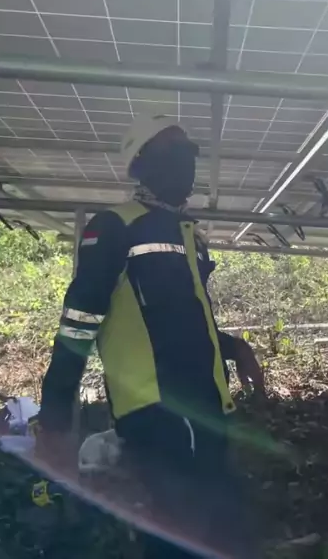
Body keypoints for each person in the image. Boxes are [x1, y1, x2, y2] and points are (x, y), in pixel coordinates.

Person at [36, 115, 264, 557]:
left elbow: (184, 319)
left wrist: (234, 347)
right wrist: (54, 416)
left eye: (187, 152)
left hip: (204, 404)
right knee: (183, 533)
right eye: (168, 151)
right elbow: (79, 320)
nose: (184, 161)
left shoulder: (188, 234)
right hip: (159, 407)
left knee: (219, 527)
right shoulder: (114, 226)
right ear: (139, 165)